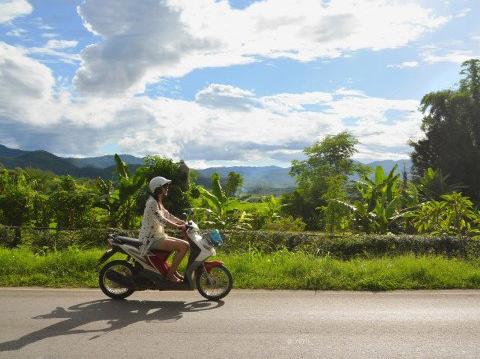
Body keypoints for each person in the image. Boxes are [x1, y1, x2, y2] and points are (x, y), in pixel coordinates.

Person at [139, 176, 189, 283]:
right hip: (150, 239)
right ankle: (170, 276)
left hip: (158, 236)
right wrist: (178, 227)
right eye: (165, 186)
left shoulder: (158, 202)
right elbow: (162, 220)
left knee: (185, 244)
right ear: (158, 189)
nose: (167, 188)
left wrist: (183, 222)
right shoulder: (152, 203)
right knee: (183, 246)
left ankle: (172, 271)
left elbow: (168, 215)